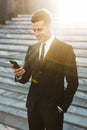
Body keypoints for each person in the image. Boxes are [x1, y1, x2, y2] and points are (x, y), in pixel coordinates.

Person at [11, 8, 78, 130]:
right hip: (33, 106)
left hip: (54, 109)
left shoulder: (65, 49)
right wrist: (19, 74)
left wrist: (62, 106)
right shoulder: (32, 48)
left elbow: (73, 82)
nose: (36, 33)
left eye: (39, 29)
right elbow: (25, 77)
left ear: (50, 26)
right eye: (34, 30)